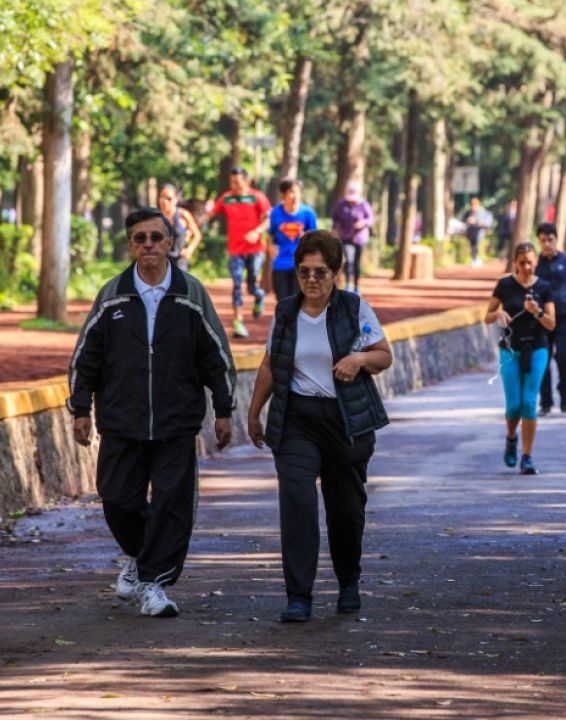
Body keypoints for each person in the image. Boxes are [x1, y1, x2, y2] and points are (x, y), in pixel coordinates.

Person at [68, 207, 236, 618]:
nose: (149, 245)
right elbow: (86, 356)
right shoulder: (112, 296)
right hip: (121, 419)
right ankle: (142, 559)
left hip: (176, 421)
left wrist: (225, 409)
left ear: (170, 243)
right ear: (130, 245)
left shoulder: (191, 294)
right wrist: (80, 408)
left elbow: (216, 356)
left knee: (171, 506)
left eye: (156, 238)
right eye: (140, 238)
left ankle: (154, 584)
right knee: (117, 499)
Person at [247, 230, 392, 622]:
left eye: (320, 273)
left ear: (336, 273)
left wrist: (358, 360)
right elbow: (271, 365)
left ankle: (348, 581)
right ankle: (299, 596)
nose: (312, 280)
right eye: (304, 272)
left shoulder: (353, 308)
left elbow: (384, 355)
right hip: (296, 420)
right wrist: (254, 411)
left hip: (344, 421)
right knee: (297, 502)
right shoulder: (286, 311)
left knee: (346, 510)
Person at [484, 242, 556, 475]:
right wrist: (498, 313)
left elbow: (551, 324)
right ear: (515, 262)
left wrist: (537, 312)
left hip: (537, 349)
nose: (526, 267)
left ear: (536, 261)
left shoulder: (544, 287)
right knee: (514, 405)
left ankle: (527, 456)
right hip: (510, 350)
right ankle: (511, 437)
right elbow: (486, 316)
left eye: (530, 262)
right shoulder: (505, 285)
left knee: (528, 402)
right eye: (522, 262)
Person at [208, 167, 272, 338]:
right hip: (235, 251)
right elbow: (211, 213)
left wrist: (257, 232)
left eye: (237, 182)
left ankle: (259, 296)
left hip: (255, 250)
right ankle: (238, 322)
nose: (234, 185)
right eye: (231, 182)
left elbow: (268, 220)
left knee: (251, 287)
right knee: (236, 284)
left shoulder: (257, 197)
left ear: (246, 181)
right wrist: (201, 217)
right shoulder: (226, 198)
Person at [534, 223, 566, 416]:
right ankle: (545, 401)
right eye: (543, 240)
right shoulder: (534, 264)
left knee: (564, 358)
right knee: (542, 362)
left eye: (550, 240)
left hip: (564, 318)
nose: (547, 244)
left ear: (556, 239)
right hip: (541, 320)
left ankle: (564, 392)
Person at [268, 178, 318, 301]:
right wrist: (270, 247)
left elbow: (316, 238)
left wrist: (307, 238)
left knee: (298, 300)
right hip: (280, 263)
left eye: (298, 192)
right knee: (282, 300)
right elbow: (270, 235)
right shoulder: (275, 213)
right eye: (291, 192)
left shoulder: (308, 213)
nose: (295, 196)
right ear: (283, 195)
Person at [331, 180, 374, 293]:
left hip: (360, 238)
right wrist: (336, 227)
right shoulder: (341, 204)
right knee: (348, 260)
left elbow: (370, 219)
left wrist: (363, 223)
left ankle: (356, 286)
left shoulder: (364, 204)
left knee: (356, 263)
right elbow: (335, 217)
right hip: (345, 237)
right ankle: (348, 284)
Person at [158, 184, 203, 271]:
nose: (165, 201)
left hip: (180, 262)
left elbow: (197, 235)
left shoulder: (183, 215)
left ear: (175, 200)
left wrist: (189, 250)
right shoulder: (156, 218)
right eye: (162, 198)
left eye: (169, 198)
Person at [463, 197, 493, 267]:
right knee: (473, 246)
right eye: (472, 205)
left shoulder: (482, 212)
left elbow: (486, 223)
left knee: (476, 246)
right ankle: (475, 259)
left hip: (479, 232)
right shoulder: (468, 212)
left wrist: (476, 221)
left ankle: (476, 259)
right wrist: (468, 220)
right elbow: (464, 220)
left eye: (474, 205)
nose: (473, 207)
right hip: (471, 232)